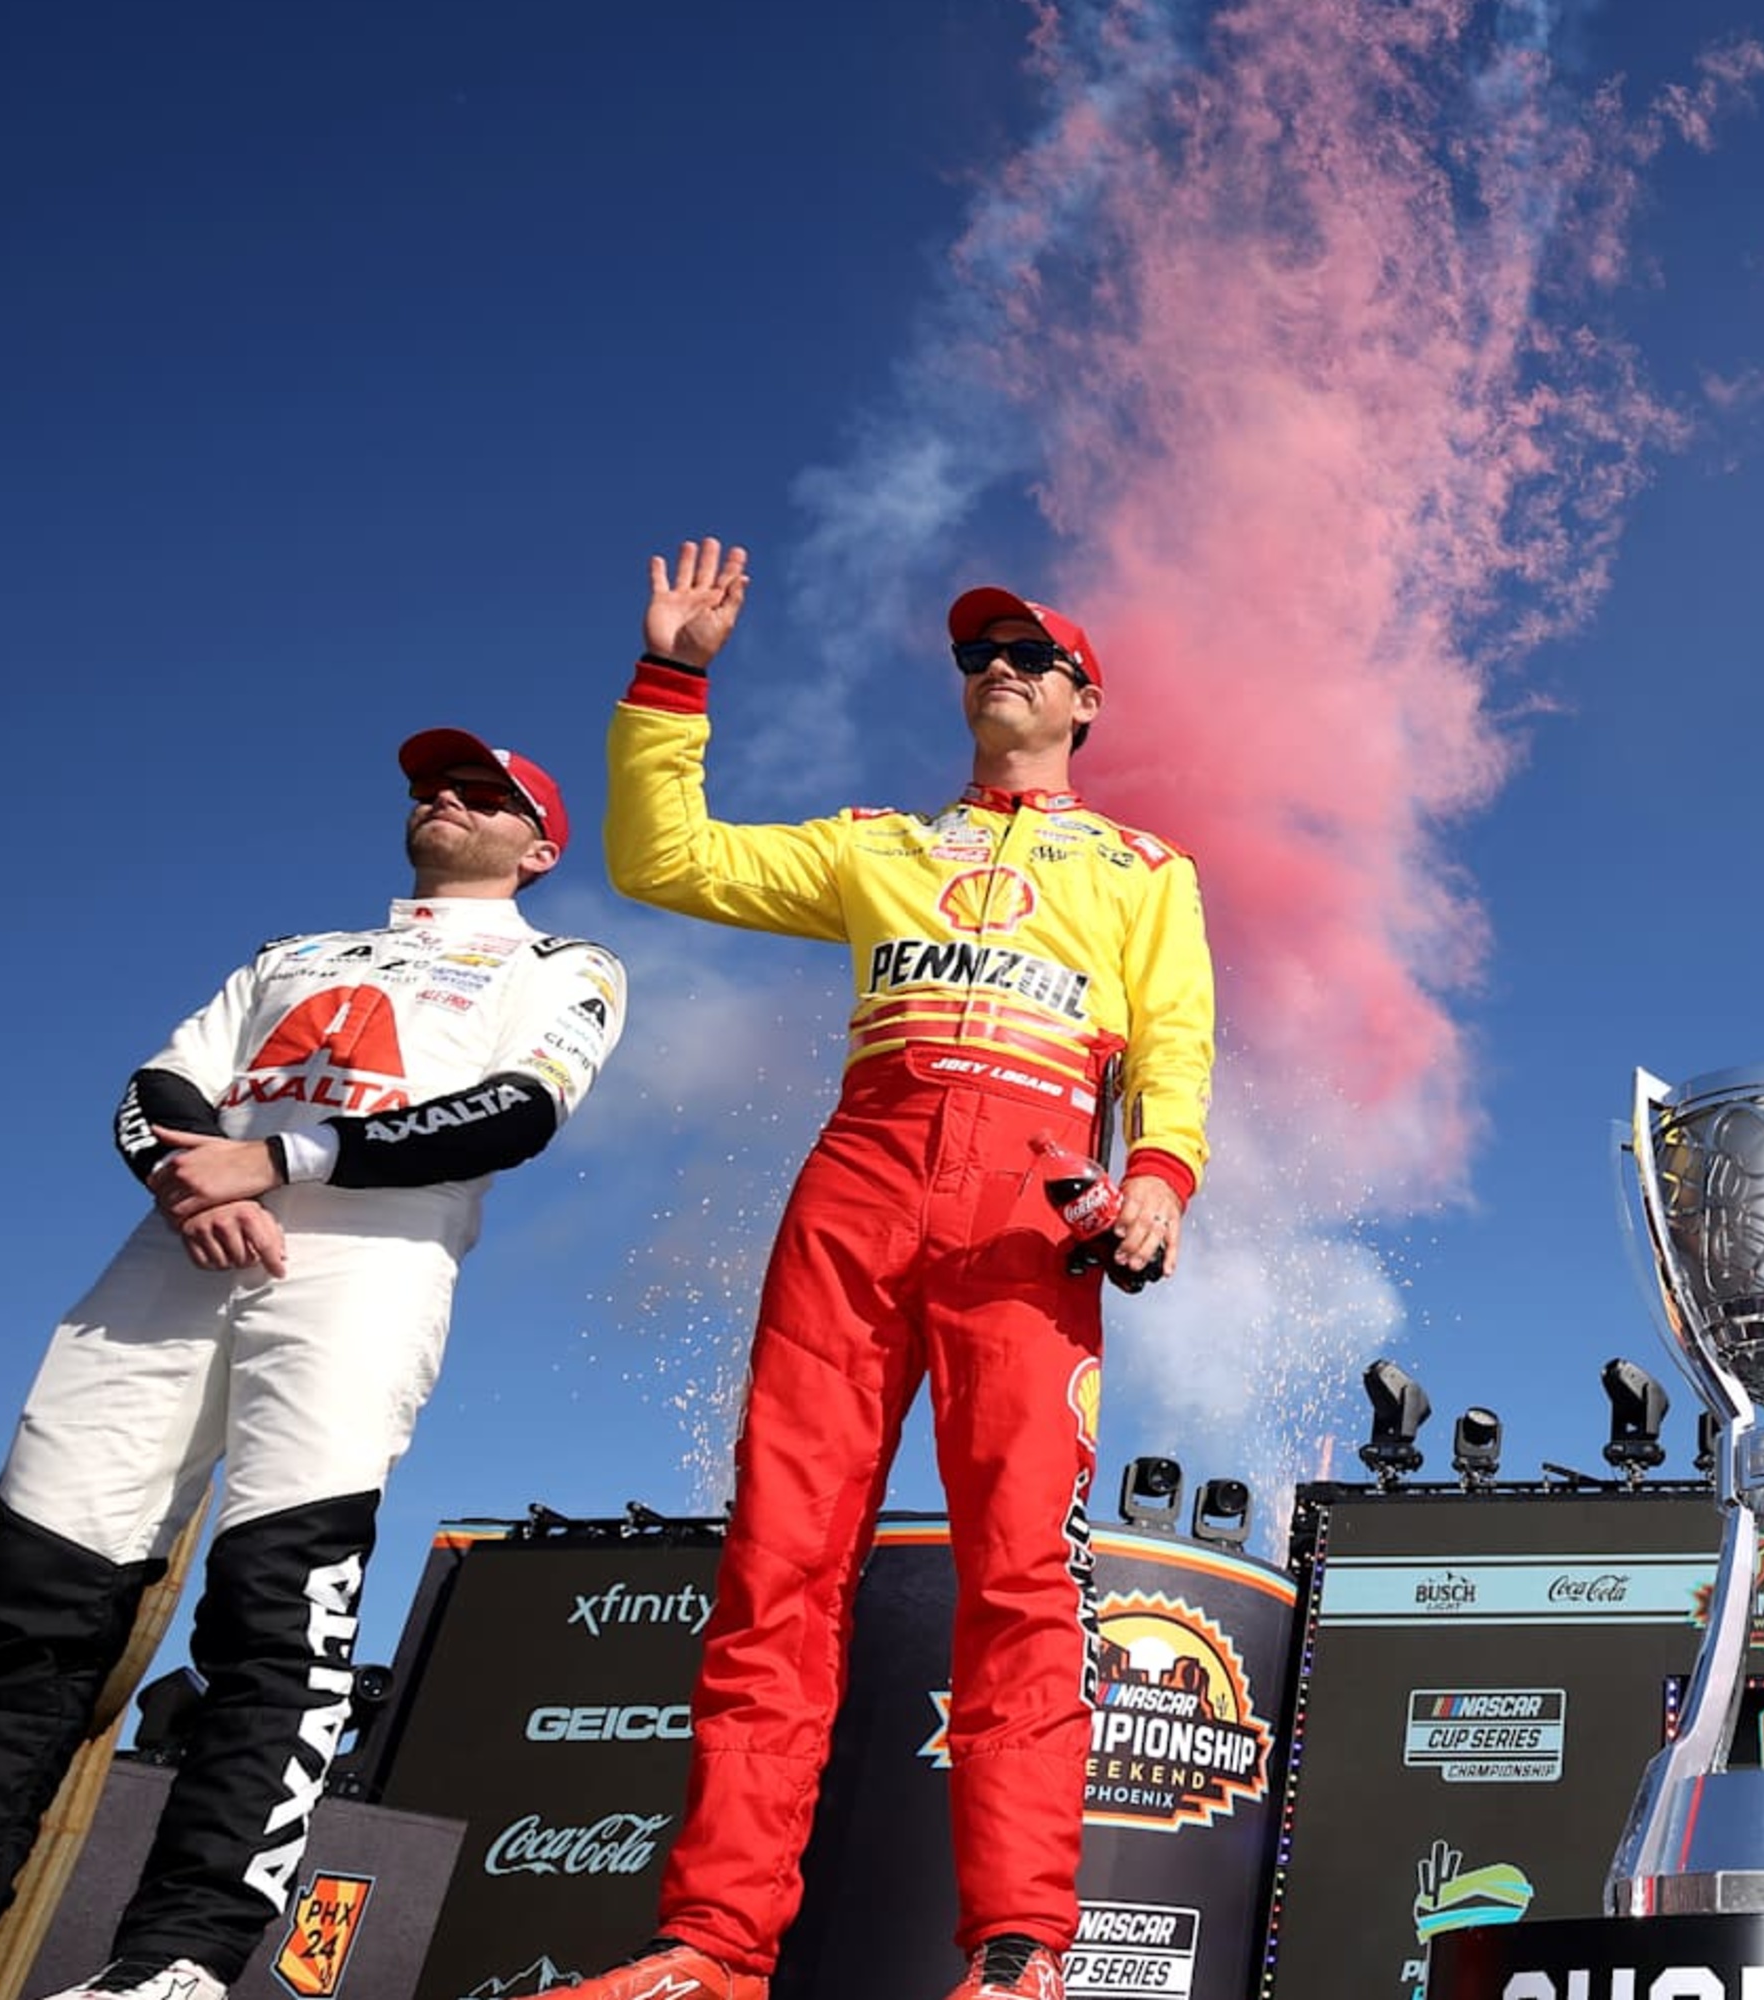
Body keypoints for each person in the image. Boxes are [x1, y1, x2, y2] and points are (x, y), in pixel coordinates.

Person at [536, 540, 1215, 2000]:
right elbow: (667, 858)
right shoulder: (875, 844)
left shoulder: (1146, 871)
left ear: (1086, 700)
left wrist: (1158, 1182)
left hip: (1034, 1211)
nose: (998, 673)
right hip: (861, 1181)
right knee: (779, 1560)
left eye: (1030, 657)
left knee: (1023, 1573)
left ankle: (1020, 1952)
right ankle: (710, 1949)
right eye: (981, 654)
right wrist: (677, 676)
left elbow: (1174, 1043)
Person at [0, 733, 625, 2000]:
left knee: (274, 1609)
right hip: (169, 1255)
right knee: (30, 1613)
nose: (445, 797)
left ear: (539, 846)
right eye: (434, 781)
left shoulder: (563, 962)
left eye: (483, 792)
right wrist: (187, 1181)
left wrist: (280, 1162)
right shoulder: (285, 954)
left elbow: (521, 1111)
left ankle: (177, 1960)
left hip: (363, 1267)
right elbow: (156, 1087)